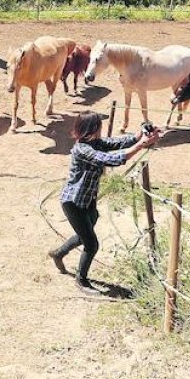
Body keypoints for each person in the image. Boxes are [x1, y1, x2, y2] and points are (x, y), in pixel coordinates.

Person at [50, 113, 161, 295]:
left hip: (87, 200)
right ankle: (81, 280)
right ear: (91, 129)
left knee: (84, 234)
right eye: (98, 127)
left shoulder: (95, 143)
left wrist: (142, 133)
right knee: (91, 244)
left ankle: (58, 253)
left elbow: (120, 142)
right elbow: (109, 159)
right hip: (73, 202)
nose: (100, 130)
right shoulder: (82, 149)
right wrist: (142, 145)